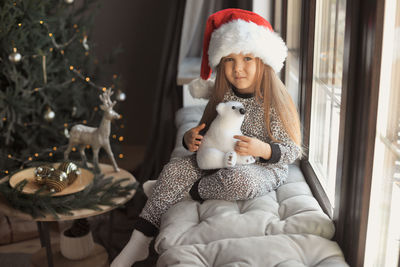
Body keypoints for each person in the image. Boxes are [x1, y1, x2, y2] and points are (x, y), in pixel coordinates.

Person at [111, 8, 301, 267]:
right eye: (230, 60)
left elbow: (291, 150)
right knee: (176, 168)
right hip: (217, 158)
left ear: (262, 62)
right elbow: (206, 131)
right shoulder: (224, 95)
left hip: (261, 167)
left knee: (238, 181)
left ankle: (179, 192)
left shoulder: (273, 102)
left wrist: (264, 149)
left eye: (247, 59)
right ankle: (138, 242)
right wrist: (190, 139)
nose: (238, 68)